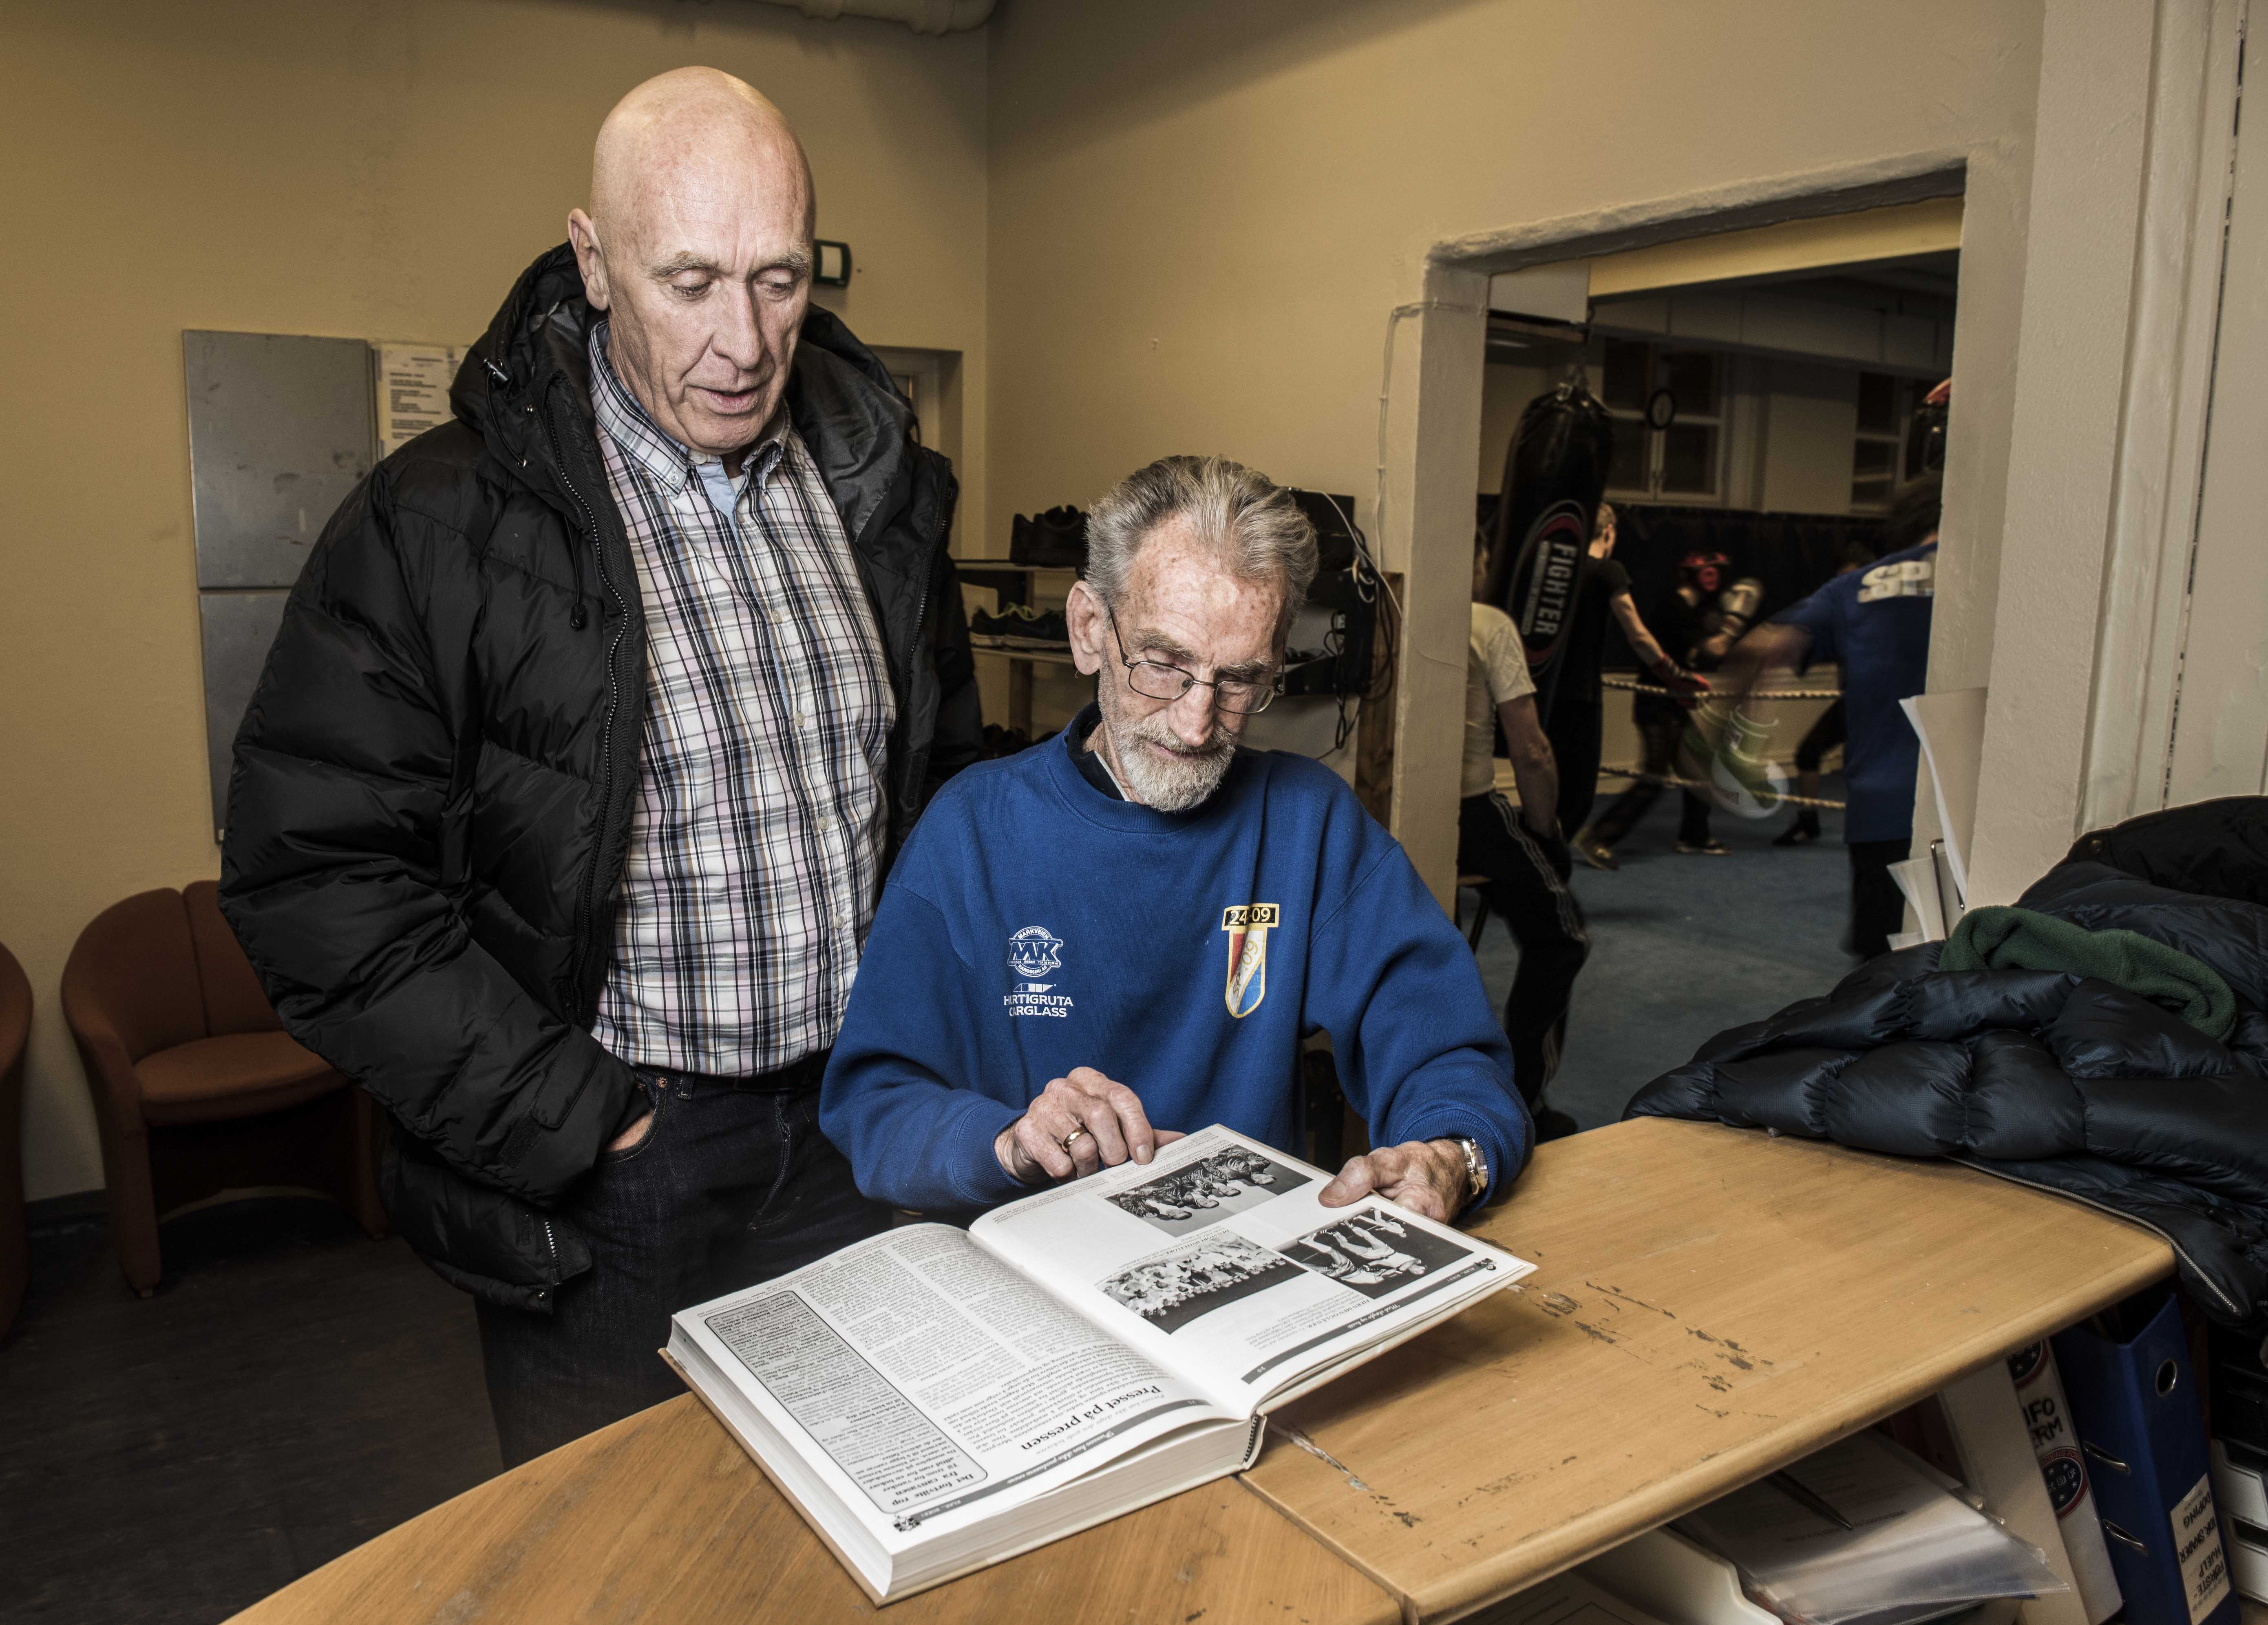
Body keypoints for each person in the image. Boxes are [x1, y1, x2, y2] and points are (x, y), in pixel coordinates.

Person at [218, 68, 981, 1465]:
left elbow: (939, 803)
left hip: (856, 1131)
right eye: (687, 281)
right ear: (591, 260)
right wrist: (581, 1120)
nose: (741, 340)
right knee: (615, 1567)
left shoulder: (884, 495)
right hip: (618, 1167)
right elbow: (310, 878)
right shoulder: (434, 522)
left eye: (778, 279)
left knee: (867, 1528)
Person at [820, 456, 1529, 1225]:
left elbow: (1442, 1045)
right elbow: (877, 1103)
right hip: (1024, 1269)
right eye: (1164, 664)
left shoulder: (1306, 823)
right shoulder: (971, 830)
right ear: (1090, 628)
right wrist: (1008, 1142)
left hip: (1236, 1269)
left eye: (1238, 681)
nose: (1196, 724)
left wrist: (1451, 1152)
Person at [1709, 475, 1942, 958]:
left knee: (1885, 981)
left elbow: (1758, 650)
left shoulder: (1855, 588)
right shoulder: (2004, 577)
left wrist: (1717, 742)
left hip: (1886, 811)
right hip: (1981, 809)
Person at [1455, 529, 1586, 1140]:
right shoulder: (1487, 622)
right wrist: (1547, 832)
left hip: (1385, 813)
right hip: (1469, 812)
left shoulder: (1390, 610)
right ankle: (1525, 1102)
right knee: (1562, 936)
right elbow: (1531, 750)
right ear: (1477, 560)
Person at [1545, 504, 1700, 839]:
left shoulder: (1557, 569)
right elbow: (1638, 635)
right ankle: (1549, 876)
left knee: (1545, 787)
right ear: (1609, 531)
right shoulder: (1608, 571)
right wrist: (1672, 673)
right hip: (1581, 696)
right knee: (1577, 798)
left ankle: (1539, 869)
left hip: (1543, 692)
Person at [1574, 547, 1726, 867]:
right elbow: (1712, 648)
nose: (1716, 578)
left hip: (1673, 704)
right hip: (1656, 705)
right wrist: (1735, 623)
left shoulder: (1692, 610)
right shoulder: (1675, 609)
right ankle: (1598, 836)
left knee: (1698, 768)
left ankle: (1694, 835)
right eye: (1710, 572)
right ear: (1698, 575)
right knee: (1654, 777)